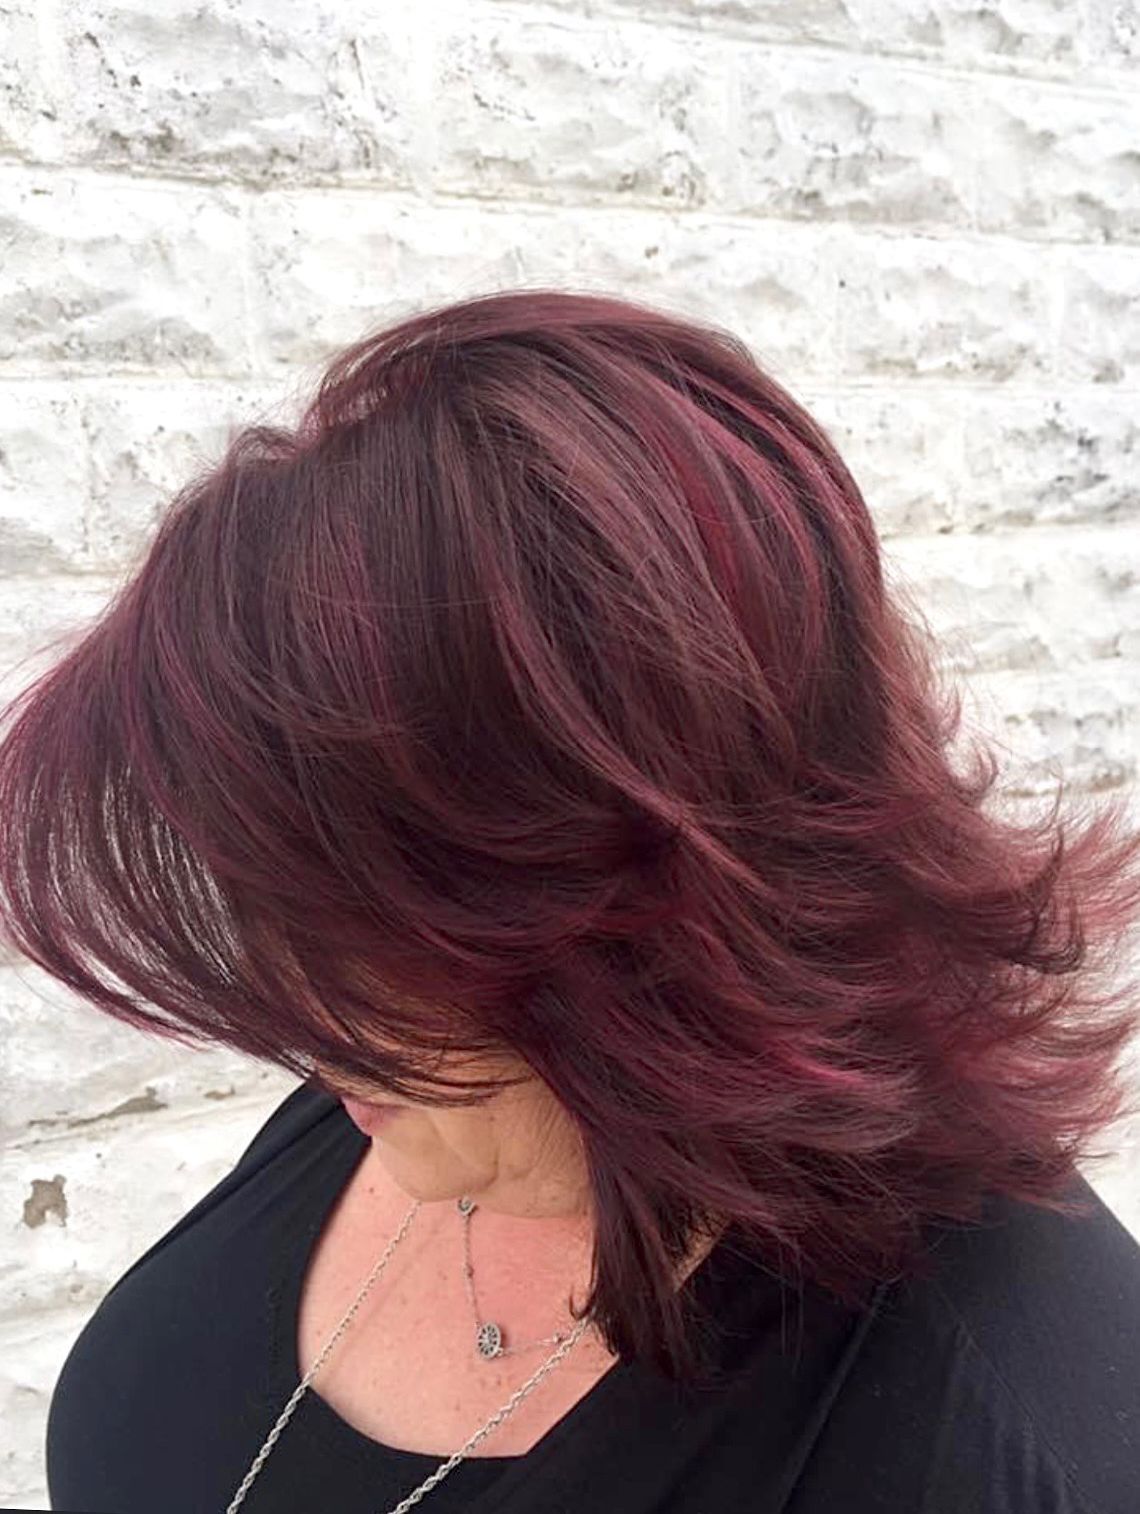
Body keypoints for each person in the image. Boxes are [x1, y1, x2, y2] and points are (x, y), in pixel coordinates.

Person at [1, 288, 1138, 1514]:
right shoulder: (399, 1113)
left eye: (356, 907)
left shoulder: (1017, 1439)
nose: (292, 1001)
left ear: (654, 893)